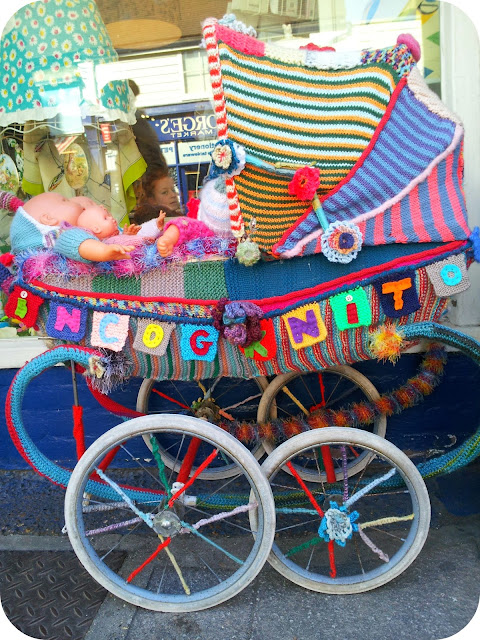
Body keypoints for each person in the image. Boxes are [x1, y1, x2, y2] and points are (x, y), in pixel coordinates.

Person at [128, 80, 168, 172]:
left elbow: (151, 147)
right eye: (132, 97)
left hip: (147, 167)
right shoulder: (135, 119)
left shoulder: (135, 119)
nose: (134, 100)